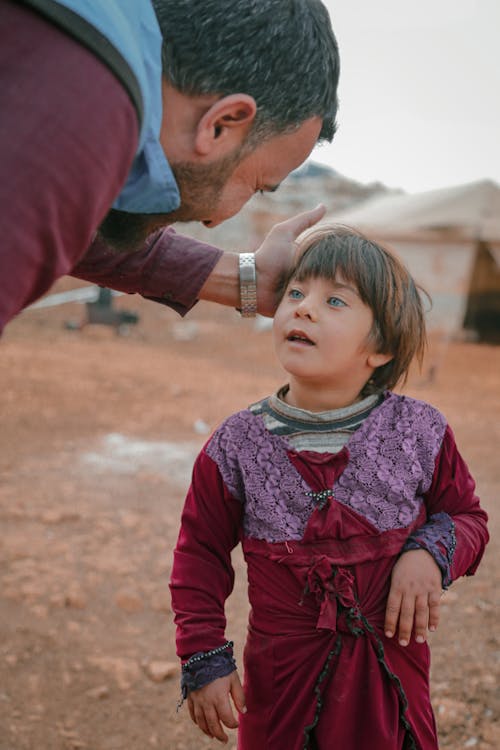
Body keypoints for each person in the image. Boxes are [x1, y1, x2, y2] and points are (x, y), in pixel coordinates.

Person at [169, 225, 489, 749]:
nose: (303, 309)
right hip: (282, 691)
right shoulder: (235, 444)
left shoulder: (419, 432)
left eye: (334, 300)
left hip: (391, 688)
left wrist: (429, 553)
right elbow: (200, 553)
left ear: (381, 347)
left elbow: (468, 517)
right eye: (296, 293)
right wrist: (203, 656)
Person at [0, 0, 339, 334]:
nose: (216, 219)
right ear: (221, 123)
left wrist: (245, 279)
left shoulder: (83, 35)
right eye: (257, 185)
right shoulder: (85, 116)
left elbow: (75, 219)